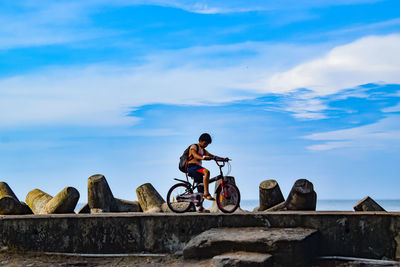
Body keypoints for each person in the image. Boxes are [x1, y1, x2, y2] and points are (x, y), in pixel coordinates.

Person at [187, 133, 225, 212]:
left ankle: (200, 208)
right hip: (192, 167)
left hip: (198, 169)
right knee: (206, 172)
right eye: (205, 143)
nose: (205, 145)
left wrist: (223, 159)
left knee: (201, 187)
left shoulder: (203, 150)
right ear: (200, 141)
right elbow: (194, 155)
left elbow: (212, 156)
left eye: (207, 144)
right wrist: (203, 158)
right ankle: (206, 193)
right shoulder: (194, 146)